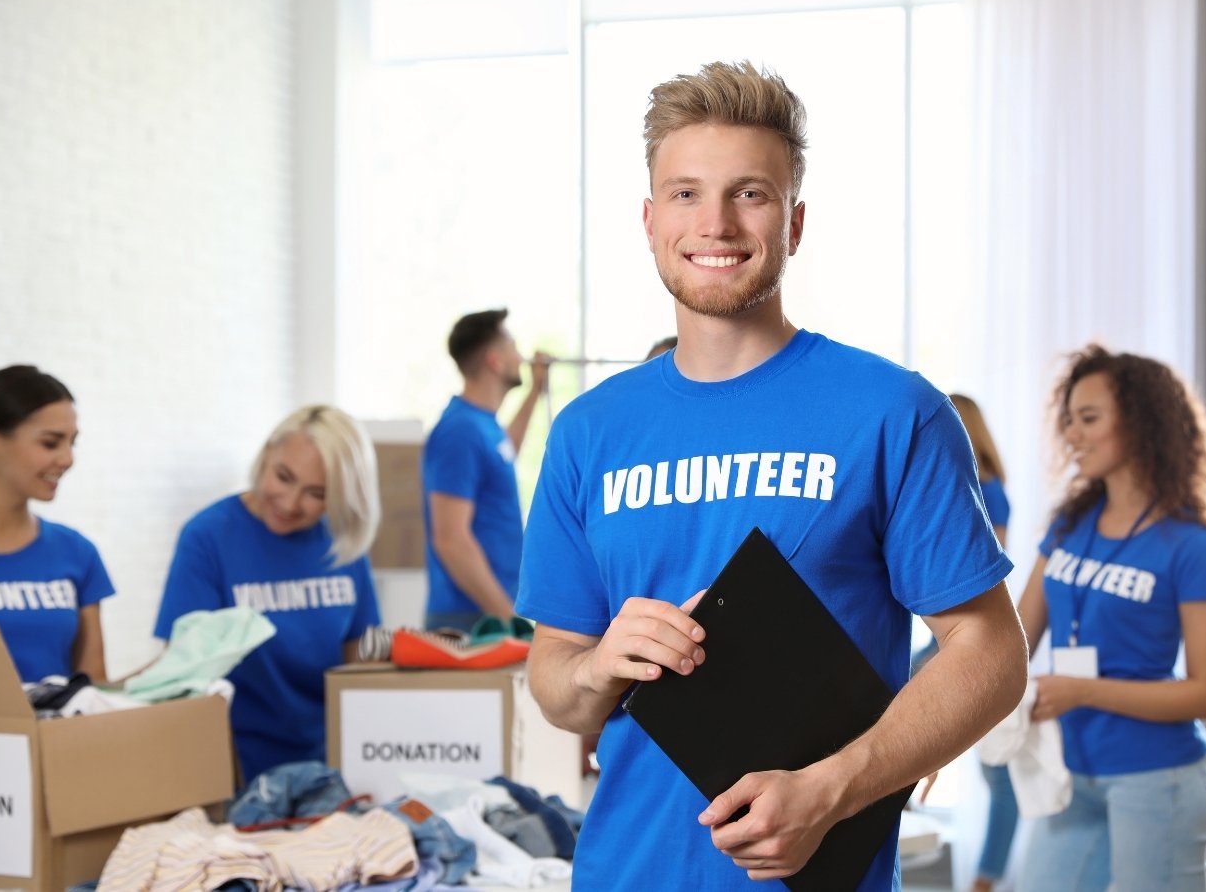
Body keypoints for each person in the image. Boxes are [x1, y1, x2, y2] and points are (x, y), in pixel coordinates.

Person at [515, 60, 1027, 891]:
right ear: (650, 219)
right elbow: (556, 685)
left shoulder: (893, 412)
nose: (714, 223)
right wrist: (599, 665)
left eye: (749, 193)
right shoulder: (586, 433)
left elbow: (992, 652)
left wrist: (834, 789)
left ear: (794, 222)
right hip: (623, 872)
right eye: (686, 194)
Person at [1017, 344, 1206, 892]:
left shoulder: (1192, 547)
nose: (1072, 434)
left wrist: (1082, 690)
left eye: (1089, 418)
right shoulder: (1069, 525)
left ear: (1142, 422)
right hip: (1072, 774)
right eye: (1068, 420)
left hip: (1158, 780)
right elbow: (1013, 641)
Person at [153, 405, 381, 784]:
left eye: (316, 493)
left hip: (328, 766)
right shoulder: (208, 537)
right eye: (283, 477)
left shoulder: (341, 543)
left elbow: (362, 666)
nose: (291, 503)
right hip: (234, 767)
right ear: (266, 454)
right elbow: (183, 676)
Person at [0, 365, 113, 683]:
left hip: (59, 719)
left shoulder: (77, 553)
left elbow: (93, 687)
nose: (68, 459)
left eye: (72, 443)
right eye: (51, 443)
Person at [422, 308, 549, 631]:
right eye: (513, 348)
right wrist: (508, 619)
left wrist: (535, 390)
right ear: (495, 360)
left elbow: (505, 451)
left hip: (487, 613)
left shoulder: (482, 425)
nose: (521, 358)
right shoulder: (460, 431)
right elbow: (450, 540)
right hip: (468, 620)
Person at [948, 393, 1018, 892]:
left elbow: (986, 565)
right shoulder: (974, 486)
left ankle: (985, 880)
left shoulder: (984, 490)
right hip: (959, 626)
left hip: (975, 627)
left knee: (1001, 777)